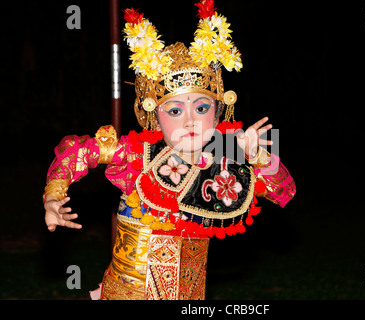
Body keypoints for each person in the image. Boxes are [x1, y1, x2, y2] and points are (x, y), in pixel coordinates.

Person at [43, 1, 296, 300]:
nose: (190, 120)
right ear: (154, 115)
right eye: (175, 110)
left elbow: (285, 191)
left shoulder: (226, 160)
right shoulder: (139, 155)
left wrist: (258, 157)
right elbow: (79, 150)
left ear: (217, 113)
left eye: (201, 108)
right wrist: (53, 196)